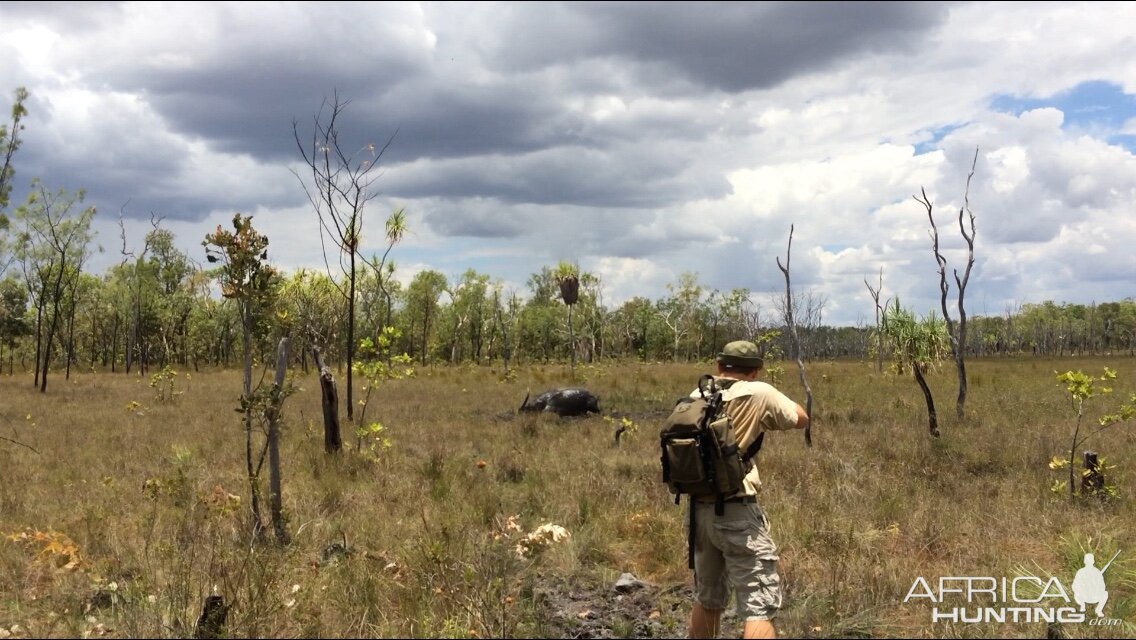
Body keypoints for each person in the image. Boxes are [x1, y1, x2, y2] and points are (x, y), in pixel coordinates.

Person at [685, 340, 809, 639]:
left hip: (698, 511)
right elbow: (800, 417)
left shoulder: (698, 394)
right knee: (758, 604)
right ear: (755, 371)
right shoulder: (759, 391)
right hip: (738, 510)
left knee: (708, 598)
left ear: (718, 367)